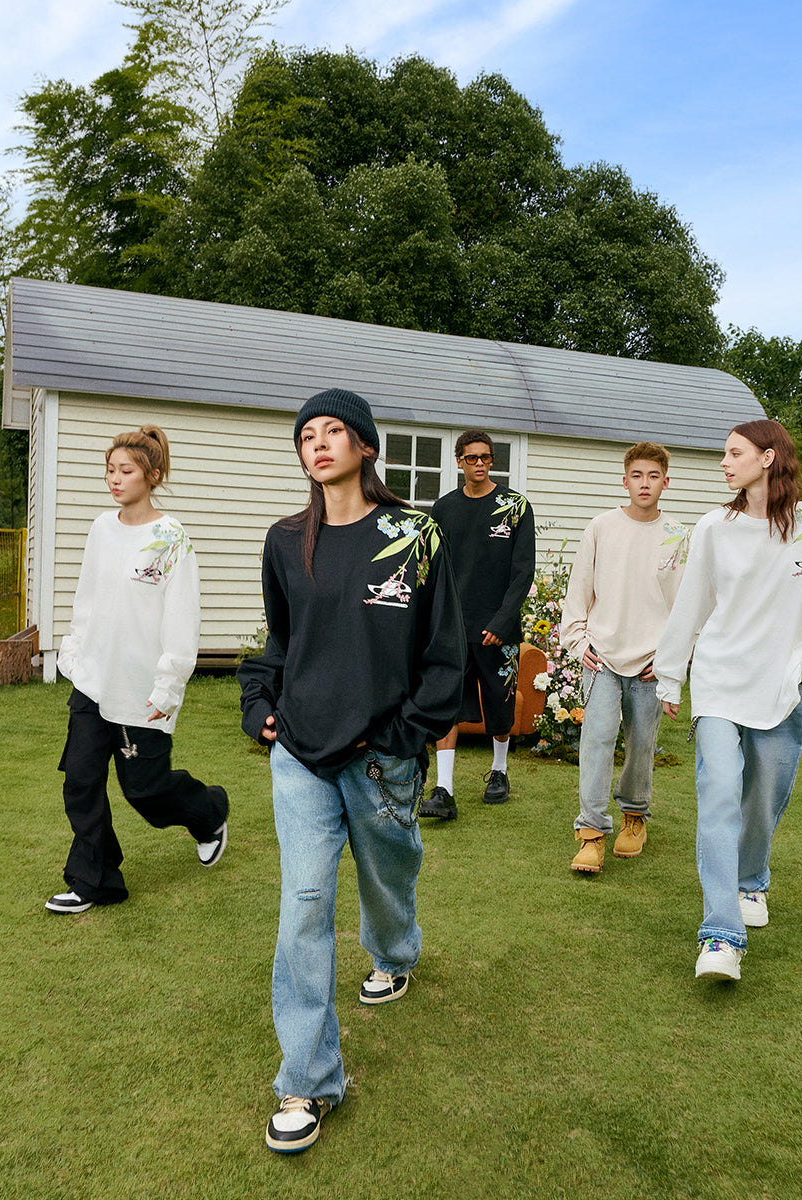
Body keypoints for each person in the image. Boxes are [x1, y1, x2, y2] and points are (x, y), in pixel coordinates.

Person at [237, 388, 465, 1154]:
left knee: (387, 875)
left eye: (336, 431)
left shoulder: (415, 533)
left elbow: (444, 647)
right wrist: (258, 703)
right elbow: (279, 641)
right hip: (301, 750)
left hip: (382, 757)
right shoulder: (285, 538)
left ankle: (395, 953)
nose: (320, 442)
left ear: (365, 445)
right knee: (303, 901)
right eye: (308, 434)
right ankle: (307, 1081)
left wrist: (410, 732)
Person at [653, 420, 802, 982]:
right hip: (718, 679)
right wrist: (671, 676)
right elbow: (691, 604)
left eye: (733, 452)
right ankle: (720, 934)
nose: (723, 461)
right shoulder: (715, 526)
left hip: (779, 685)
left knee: (764, 795)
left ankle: (751, 882)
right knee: (717, 796)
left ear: (768, 458)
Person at [46, 425, 228, 915]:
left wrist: (168, 685)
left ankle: (209, 813)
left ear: (153, 475)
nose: (114, 479)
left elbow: (182, 619)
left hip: (143, 690)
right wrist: (74, 653)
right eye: (109, 470)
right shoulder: (101, 529)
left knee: (144, 791)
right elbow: (87, 599)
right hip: (92, 680)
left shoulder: (172, 539)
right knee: (80, 782)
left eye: (125, 471)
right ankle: (95, 879)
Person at [560, 442, 690, 872]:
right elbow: (579, 591)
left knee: (640, 743)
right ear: (625, 480)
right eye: (637, 475)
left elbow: (687, 605)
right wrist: (580, 644)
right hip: (602, 656)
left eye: (653, 476)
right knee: (596, 739)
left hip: (651, 661)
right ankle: (591, 832)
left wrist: (672, 659)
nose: (645, 483)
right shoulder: (601, 527)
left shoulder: (677, 536)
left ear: (666, 482)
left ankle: (635, 816)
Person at [420, 429, 535, 819]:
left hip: (498, 630)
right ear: (459, 462)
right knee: (447, 704)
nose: (481, 464)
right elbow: (432, 569)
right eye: (472, 458)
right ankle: (443, 789)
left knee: (500, 709)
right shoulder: (444, 509)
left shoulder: (514, 506)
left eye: (486, 457)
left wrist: (502, 622)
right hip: (453, 628)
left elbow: (523, 573)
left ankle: (499, 773)